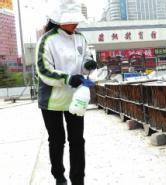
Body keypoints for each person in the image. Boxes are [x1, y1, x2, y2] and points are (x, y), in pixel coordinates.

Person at [35, 1, 97, 184]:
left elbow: (86, 58)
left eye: (76, 20)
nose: (75, 24)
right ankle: (59, 176)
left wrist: (88, 65)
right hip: (52, 100)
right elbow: (44, 70)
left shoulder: (80, 38)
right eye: (71, 20)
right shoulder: (47, 40)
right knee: (57, 140)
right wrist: (67, 78)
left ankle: (78, 179)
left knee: (77, 140)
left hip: (75, 99)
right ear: (59, 21)